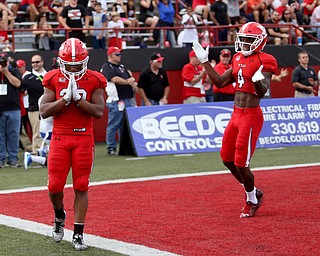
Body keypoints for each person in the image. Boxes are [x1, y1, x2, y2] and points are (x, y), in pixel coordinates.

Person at [192, 21, 278, 218]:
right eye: (243, 40)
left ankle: (251, 200)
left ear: (260, 42)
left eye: (249, 40)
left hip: (251, 114)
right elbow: (221, 82)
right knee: (226, 158)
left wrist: (257, 81)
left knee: (241, 163)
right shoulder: (238, 57)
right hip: (236, 113)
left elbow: (263, 91)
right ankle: (253, 190)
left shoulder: (267, 60)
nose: (244, 44)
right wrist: (205, 61)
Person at [40, 38, 106, 250]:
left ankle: (78, 233)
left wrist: (79, 100)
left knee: (81, 185)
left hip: (83, 138)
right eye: (69, 65)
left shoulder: (95, 79)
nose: (74, 69)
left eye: (77, 65)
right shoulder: (52, 78)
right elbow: (44, 110)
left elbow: (98, 112)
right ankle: (59, 215)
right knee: (54, 186)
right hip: (60, 137)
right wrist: (64, 100)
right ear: (60, 62)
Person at [101, 46, 136, 156]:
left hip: (126, 99)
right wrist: (127, 81)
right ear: (111, 55)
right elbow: (114, 79)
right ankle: (111, 147)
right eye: (117, 54)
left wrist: (129, 80)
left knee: (125, 126)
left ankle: (124, 147)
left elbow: (131, 76)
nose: (119, 56)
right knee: (114, 124)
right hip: (116, 100)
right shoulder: (107, 67)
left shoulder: (121, 66)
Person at [0, 52, 22, 168]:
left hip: (13, 108)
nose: (3, 63)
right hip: (0, 109)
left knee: (13, 135)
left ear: (8, 61)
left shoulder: (14, 71)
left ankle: (12, 158)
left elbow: (18, 84)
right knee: (0, 136)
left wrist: (6, 72)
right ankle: (1, 159)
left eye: (5, 61)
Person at [22, 55, 46, 156]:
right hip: (34, 108)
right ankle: (36, 153)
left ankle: (46, 151)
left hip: (48, 108)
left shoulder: (48, 75)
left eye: (37, 62)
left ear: (42, 62)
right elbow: (22, 91)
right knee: (37, 132)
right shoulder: (28, 77)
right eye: (33, 63)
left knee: (48, 131)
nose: (35, 64)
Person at [24, 95, 52, 169]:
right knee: (57, 159)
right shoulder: (46, 98)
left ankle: (43, 151)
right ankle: (44, 150)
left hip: (47, 128)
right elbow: (48, 117)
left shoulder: (43, 97)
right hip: (49, 129)